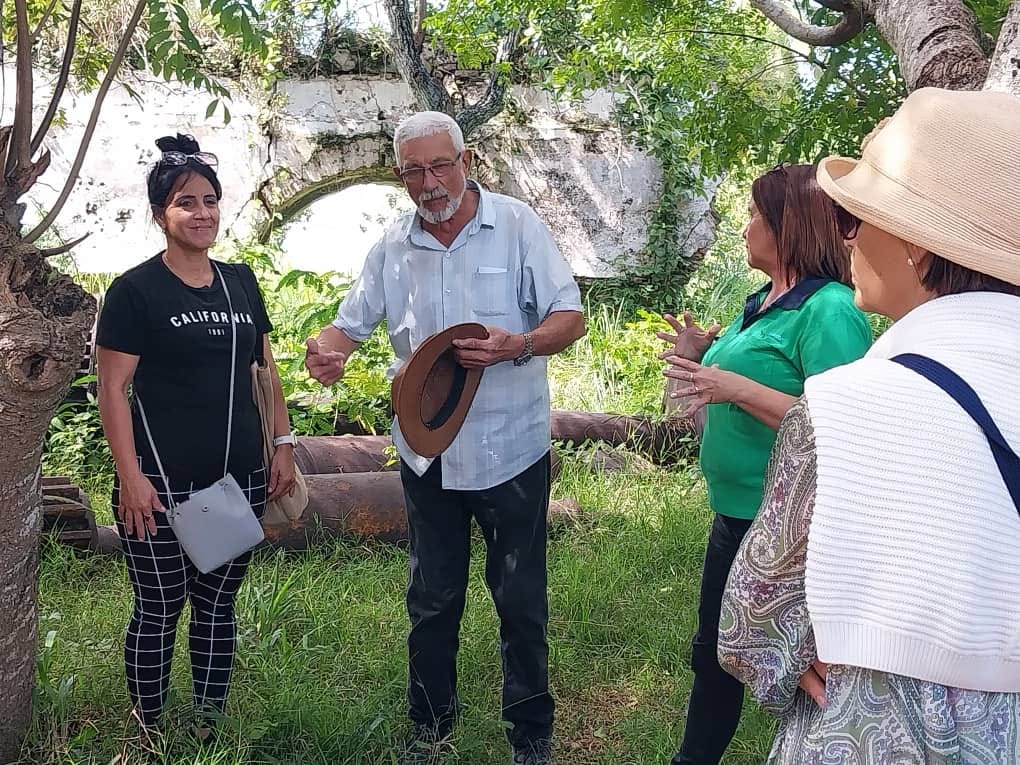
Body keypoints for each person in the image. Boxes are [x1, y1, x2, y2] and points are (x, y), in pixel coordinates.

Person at [718, 87, 1020, 763]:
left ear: (917, 245)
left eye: (856, 219)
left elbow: (752, 618)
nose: (844, 236)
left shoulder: (847, 402)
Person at [304, 111, 585, 765]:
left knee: (520, 598)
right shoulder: (391, 246)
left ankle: (531, 736)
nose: (429, 183)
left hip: (511, 448)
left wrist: (520, 343)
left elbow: (570, 318)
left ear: (467, 160)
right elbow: (349, 325)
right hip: (427, 454)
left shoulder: (517, 227)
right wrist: (330, 351)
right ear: (400, 175)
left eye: (440, 165)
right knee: (432, 598)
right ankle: (429, 731)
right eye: (413, 171)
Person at [658, 163, 872, 764]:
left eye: (756, 214)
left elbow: (840, 422)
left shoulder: (829, 310)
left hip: (790, 529)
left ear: (790, 225)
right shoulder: (762, 301)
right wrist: (702, 353)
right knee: (716, 650)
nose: (746, 226)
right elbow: (745, 372)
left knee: (804, 663)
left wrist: (733, 386)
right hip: (736, 513)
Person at [96, 133, 297, 738]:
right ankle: (149, 729)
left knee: (218, 605)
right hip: (160, 482)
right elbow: (112, 390)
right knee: (158, 608)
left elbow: (266, 370)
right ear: (161, 213)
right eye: (187, 202)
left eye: (210, 200)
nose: (202, 213)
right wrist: (131, 479)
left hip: (239, 475)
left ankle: (207, 724)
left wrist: (282, 445)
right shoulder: (136, 291)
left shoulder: (240, 282)